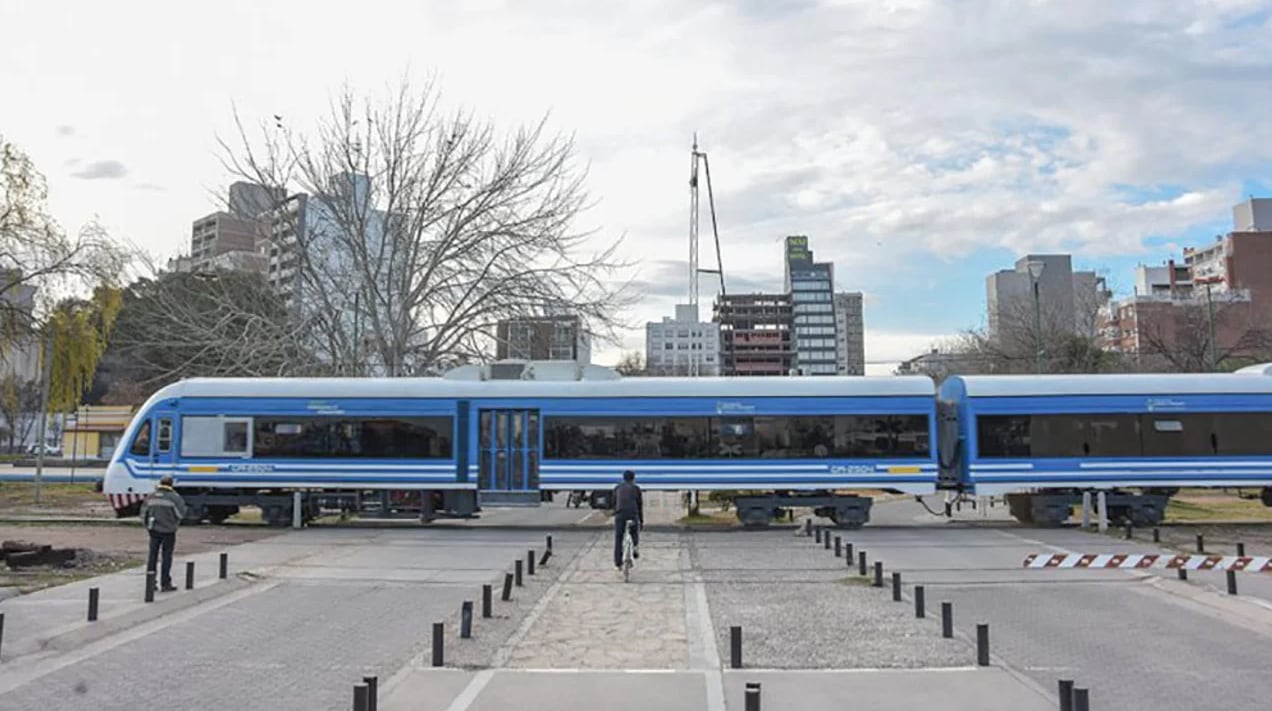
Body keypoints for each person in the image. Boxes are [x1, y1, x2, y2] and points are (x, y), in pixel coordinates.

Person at [141, 475, 186, 592]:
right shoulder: (175, 498)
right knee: (166, 557)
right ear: (171, 485)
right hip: (169, 531)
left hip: (154, 530)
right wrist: (174, 524)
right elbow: (181, 514)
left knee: (152, 556)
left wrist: (148, 527)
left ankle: (151, 583)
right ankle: (165, 583)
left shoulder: (150, 497)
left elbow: (143, 514)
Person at [613, 469, 644, 571]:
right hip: (632, 514)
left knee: (618, 538)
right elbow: (639, 506)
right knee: (634, 531)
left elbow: (614, 503)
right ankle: (635, 547)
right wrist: (641, 521)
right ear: (633, 479)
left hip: (620, 515)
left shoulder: (617, 488)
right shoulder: (636, 489)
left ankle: (618, 562)